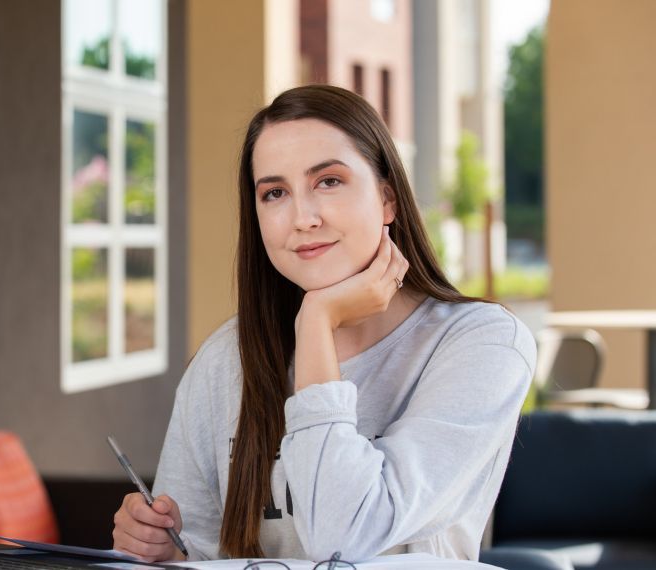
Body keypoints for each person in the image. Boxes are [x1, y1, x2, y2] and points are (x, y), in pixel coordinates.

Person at [111, 85, 536, 564]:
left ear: (387, 198)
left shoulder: (480, 343)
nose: (302, 218)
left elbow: (344, 540)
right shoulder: (224, 359)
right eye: (274, 193)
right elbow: (209, 550)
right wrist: (166, 549)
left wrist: (316, 322)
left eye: (328, 181)